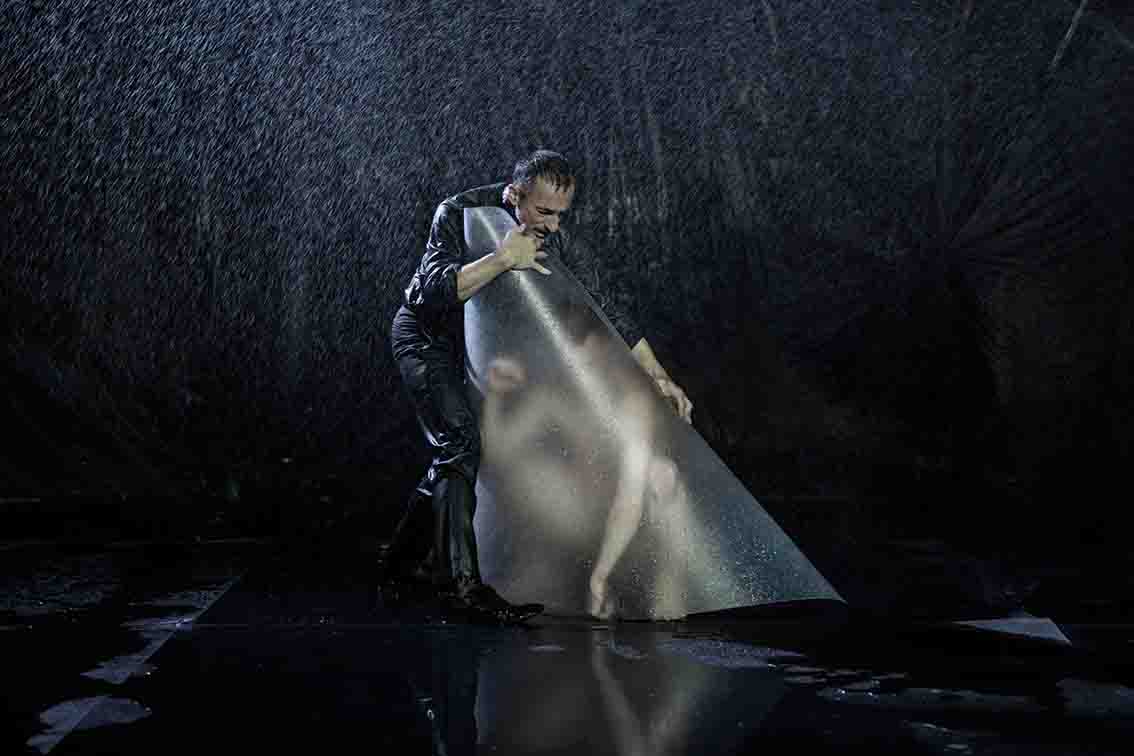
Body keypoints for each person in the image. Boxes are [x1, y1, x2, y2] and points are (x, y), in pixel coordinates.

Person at [386, 149, 692, 623]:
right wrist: (502, 258)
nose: (552, 224)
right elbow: (428, 295)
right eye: (544, 211)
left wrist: (659, 376)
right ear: (514, 195)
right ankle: (461, 589)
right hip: (426, 339)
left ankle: (399, 563)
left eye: (560, 214)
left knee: (459, 451)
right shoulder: (458, 212)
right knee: (461, 440)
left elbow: (605, 304)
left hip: (475, 350)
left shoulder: (553, 235)